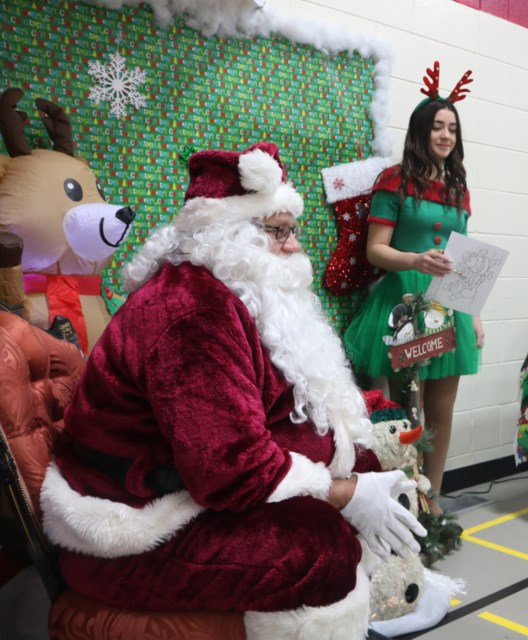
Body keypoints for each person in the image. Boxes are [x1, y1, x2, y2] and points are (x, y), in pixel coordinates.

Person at [40, 142, 426, 639]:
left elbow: (275, 406)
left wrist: (356, 450)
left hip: (186, 487)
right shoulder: (194, 311)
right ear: (227, 235)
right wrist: (345, 492)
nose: (294, 247)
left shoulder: (239, 298)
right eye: (278, 231)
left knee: (363, 468)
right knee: (317, 548)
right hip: (131, 523)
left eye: (293, 230)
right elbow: (227, 469)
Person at [343, 63, 481, 517]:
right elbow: (375, 250)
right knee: (408, 413)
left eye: (452, 128)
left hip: (452, 304)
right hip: (405, 306)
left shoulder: (459, 188)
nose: (445, 135)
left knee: (442, 410)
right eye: (437, 126)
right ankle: (407, 501)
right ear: (420, 131)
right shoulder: (394, 181)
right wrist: (416, 260)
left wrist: (475, 313)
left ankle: (434, 504)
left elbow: (461, 255)